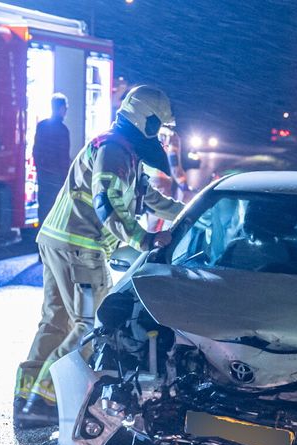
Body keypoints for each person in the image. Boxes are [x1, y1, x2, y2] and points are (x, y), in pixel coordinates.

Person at [15, 85, 185, 427]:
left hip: (57, 240)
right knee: (92, 326)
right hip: (81, 247)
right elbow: (107, 205)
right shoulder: (114, 151)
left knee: (55, 322)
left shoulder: (119, 147)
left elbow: (146, 196)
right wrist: (145, 239)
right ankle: (45, 400)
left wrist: (191, 213)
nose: (164, 137)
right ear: (146, 121)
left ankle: (26, 399)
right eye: (161, 128)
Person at [32, 93, 70, 225]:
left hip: (44, 174)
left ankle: (40, 234)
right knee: (56, 206)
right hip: (57, 176)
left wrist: (40, 168)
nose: (66, 111)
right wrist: (66, 177)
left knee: (43, 205)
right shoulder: (63, 130)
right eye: (66, 108)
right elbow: (63, 156)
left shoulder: (42, 126)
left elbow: (36, 150)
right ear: (61, 109)